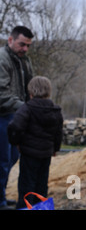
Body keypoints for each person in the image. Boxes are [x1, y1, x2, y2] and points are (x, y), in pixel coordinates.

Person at [7, 76, 63, 209]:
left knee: (27, 185)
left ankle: (24, 207)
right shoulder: (55, 110)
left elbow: (15, 126)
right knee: (42, 185)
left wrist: (15, 142)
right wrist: (55, 148)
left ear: (30, 91)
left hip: (29, 154)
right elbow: (58, 132)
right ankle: (41, 207)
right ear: (49, 91)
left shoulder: (27, 108)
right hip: (46, 154)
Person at [0, 26, 34, 210]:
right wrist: (27, 108)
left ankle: (2, 196)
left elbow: (30, 86)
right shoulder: (2, 59)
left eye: (28, 45)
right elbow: (1, 94)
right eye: (22, 44)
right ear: (10, 40)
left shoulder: (23, 60)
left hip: (15, 116)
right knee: (2, 161)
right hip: (2, 116)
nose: (25, 49)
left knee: (12, 158)